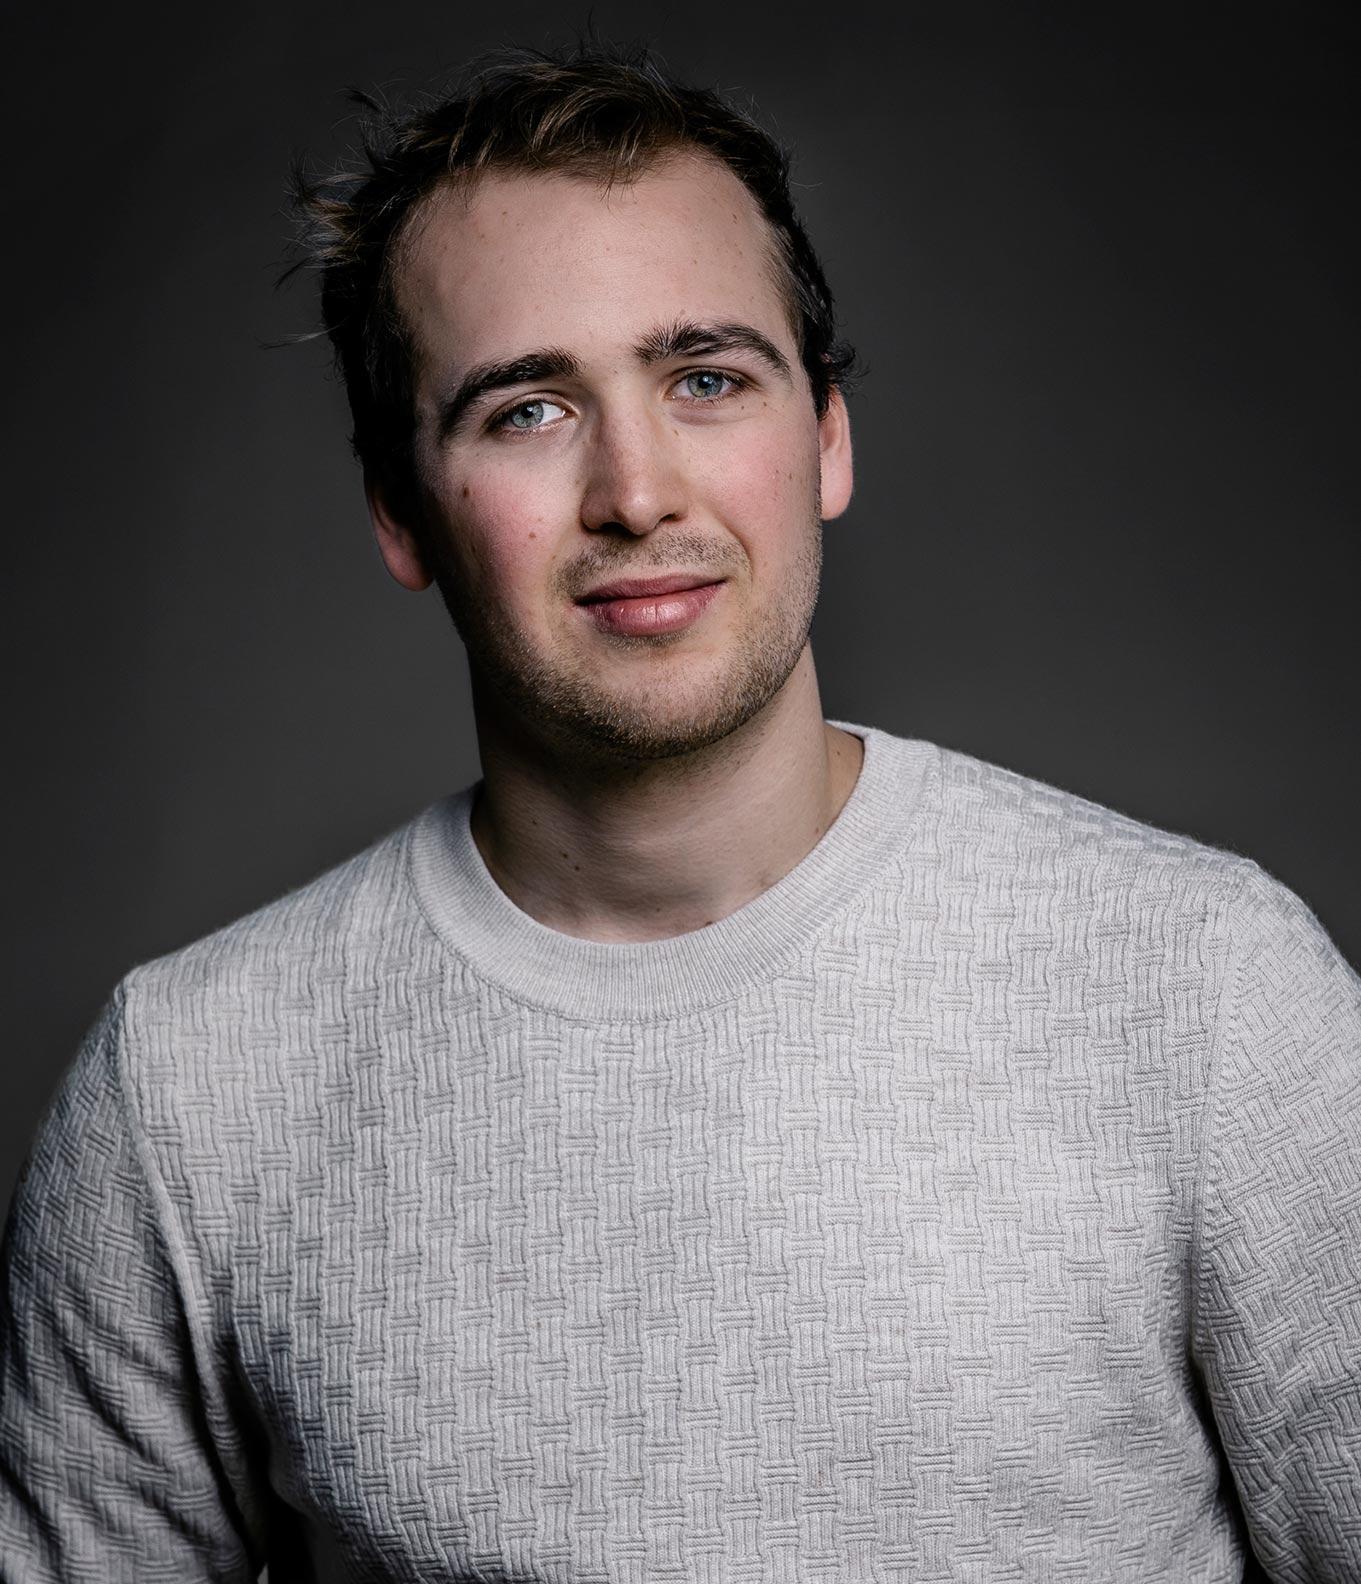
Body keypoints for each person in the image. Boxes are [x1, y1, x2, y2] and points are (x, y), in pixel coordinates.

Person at [1, 43, 1358, 1584]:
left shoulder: (1203, 988)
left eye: (705, 379)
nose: (635, 492)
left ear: (825, 438)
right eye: (526, 409)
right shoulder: (188, 1091)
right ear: (399, 511)